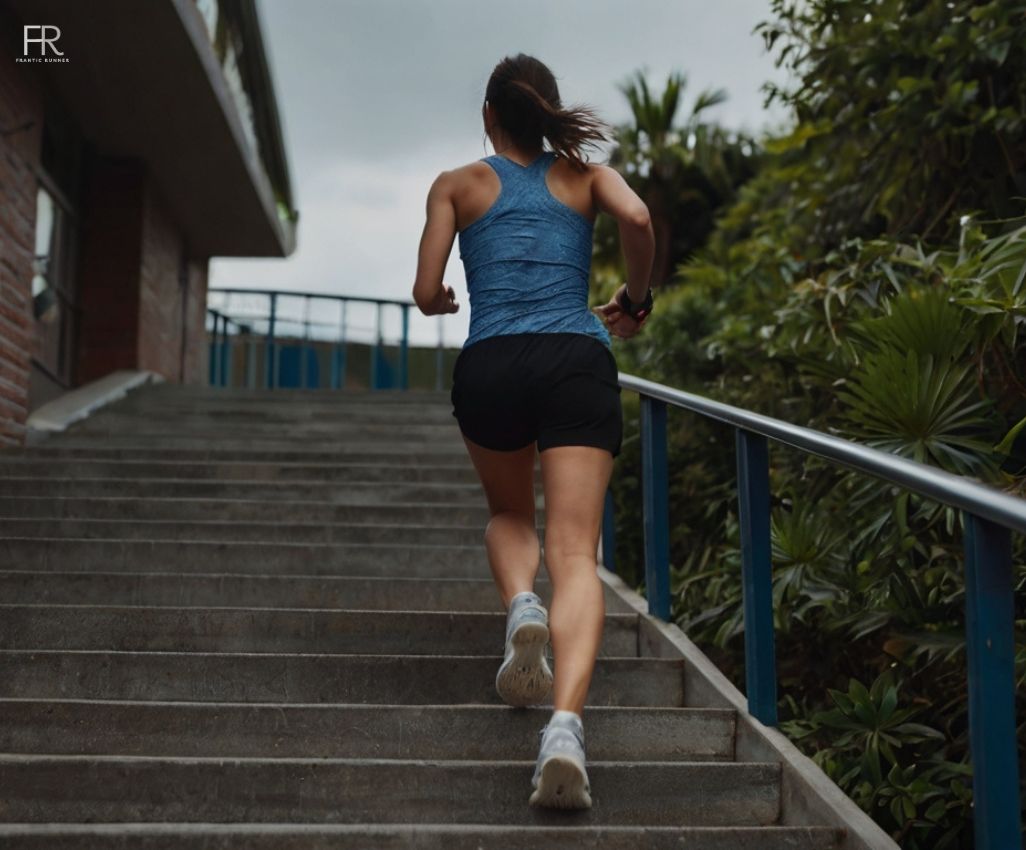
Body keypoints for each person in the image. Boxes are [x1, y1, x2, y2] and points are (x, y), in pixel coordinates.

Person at [412, 52, 655, 810]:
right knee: (577, 552)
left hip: (491, 364)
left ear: (489, 116)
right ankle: (564, 729)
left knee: (510, 514)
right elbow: (639, 218)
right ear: (548, 113)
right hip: (575, 359)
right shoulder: (583, 176)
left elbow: (423, 292)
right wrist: (634, 298)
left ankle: (522, 605)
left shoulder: (457, 184)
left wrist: (445, 298)